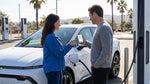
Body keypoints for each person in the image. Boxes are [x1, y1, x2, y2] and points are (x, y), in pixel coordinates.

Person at [81, 5, 113, 84]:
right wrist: (86, 43)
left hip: (100, 68)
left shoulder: (104, 28)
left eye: (90, 16)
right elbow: (98, 47)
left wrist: (96, 64)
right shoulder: (100, 27)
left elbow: (106, 50)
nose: (90, 18)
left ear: (94, 14)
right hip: (99, 67)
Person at [40, 13, 75, 84]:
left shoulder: (52, 36)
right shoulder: (50, 37)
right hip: (53, 70)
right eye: (58, 22)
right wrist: (69, 45)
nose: (60, 24)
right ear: (52, 23)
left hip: (56, 69)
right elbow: (59, 54)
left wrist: (69, 45)